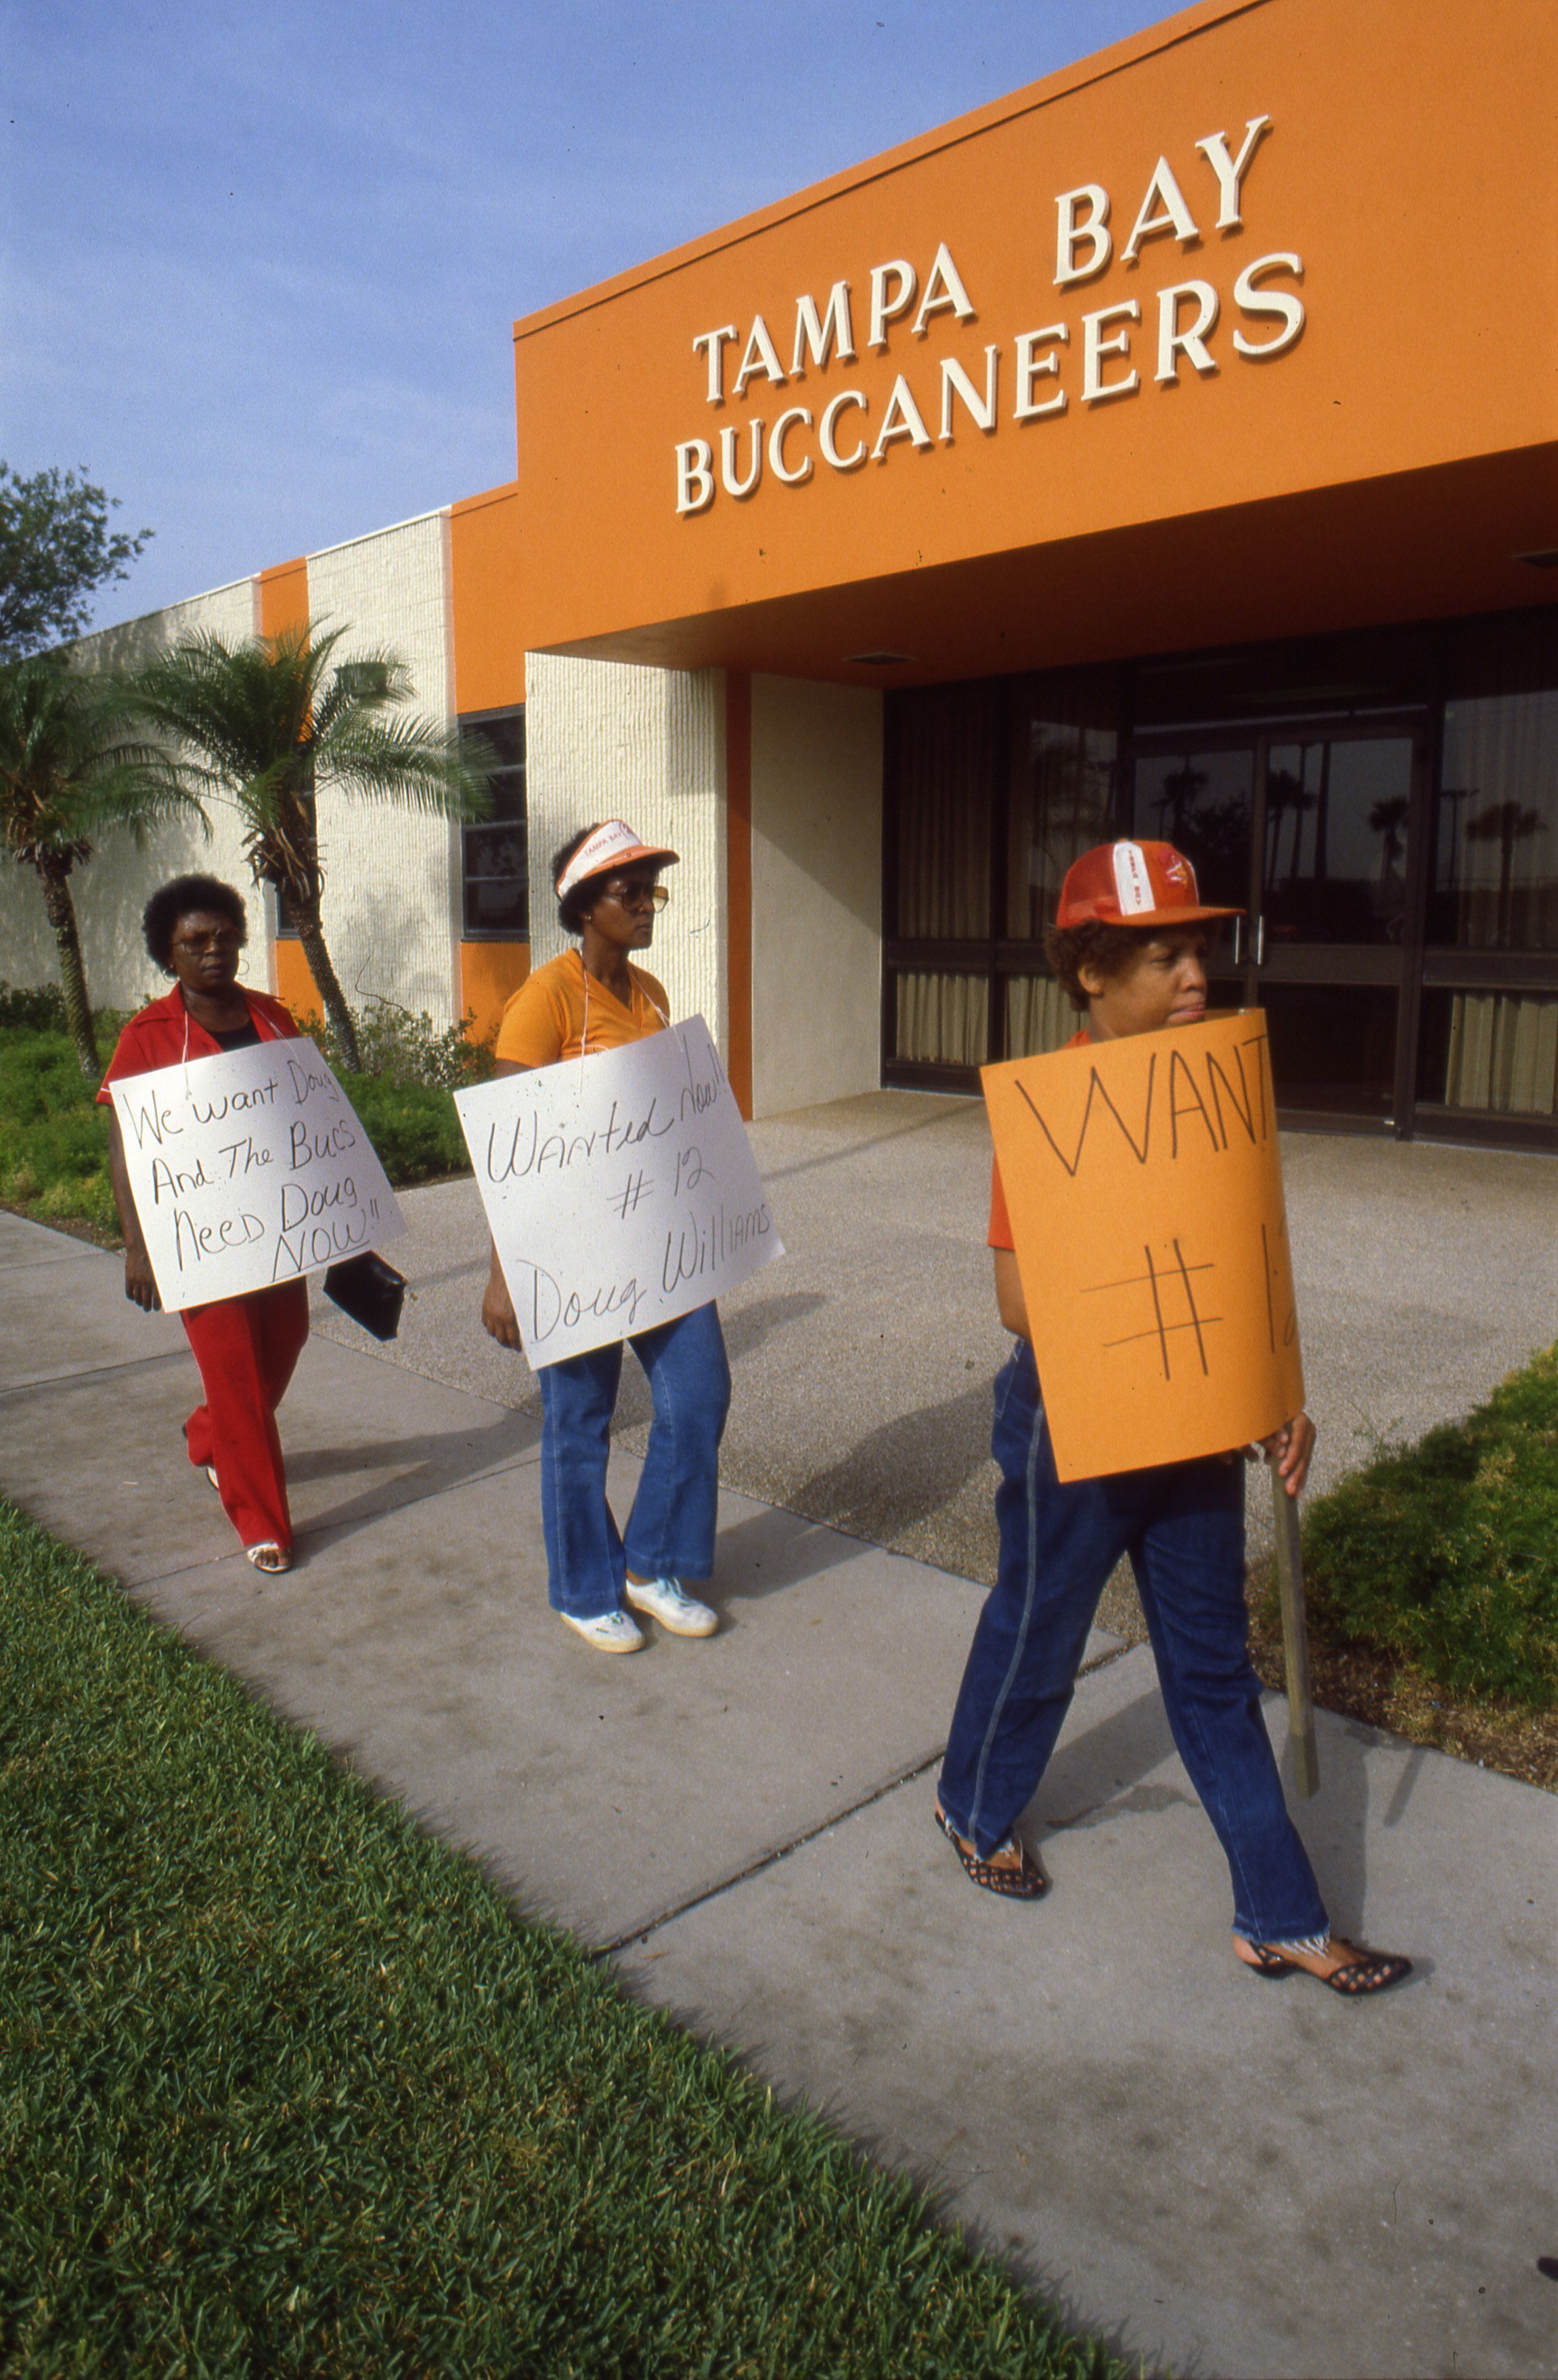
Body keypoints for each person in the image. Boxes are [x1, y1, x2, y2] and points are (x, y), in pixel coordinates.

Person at [935, 840, 1411, 1998]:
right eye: (1162, 954)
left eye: (1197, 949)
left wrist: (1271, 1400)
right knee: (1041, 1621)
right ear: (1089, 971)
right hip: (1075, 1424)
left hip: (1195, 1424)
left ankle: (1282, 1915)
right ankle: (973, 1801)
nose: (1194, 974)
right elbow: (1013, 1297)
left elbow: (1241, 1270)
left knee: (1210, 1667)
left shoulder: (1213, 1094)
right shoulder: (1048, 1110)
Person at [480, 818, 732, 1654]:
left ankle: (650, 1562)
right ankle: (584, 1586)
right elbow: (508, 1147)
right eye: (630, 891)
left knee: (698, 1396)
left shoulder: (652, 994)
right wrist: (507, 1271)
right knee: (580, 1419)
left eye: (652, 887)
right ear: (584, 906)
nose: (647, 903)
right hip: (572, 1243)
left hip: (656, 1237)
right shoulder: (544, 999)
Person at [100, 874, 309, 1574]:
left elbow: (310, 1119)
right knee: (235, 1371)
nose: (213, 950)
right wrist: (138, 1246)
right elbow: (125, 1144)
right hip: (198, 1240)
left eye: (224, 936)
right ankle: (263, 1521)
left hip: (278, 1227)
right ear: (170, 952)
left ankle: (207, 1433)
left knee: (285, 1339)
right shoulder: (149, 1035)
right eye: (195, 941)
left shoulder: (276, 1018)